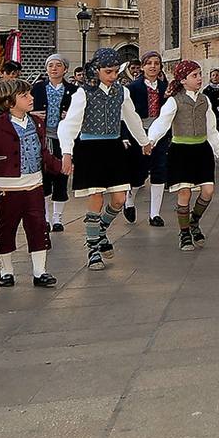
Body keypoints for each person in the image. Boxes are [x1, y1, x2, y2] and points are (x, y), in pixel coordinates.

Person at [57, 47, 151, 271]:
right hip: (90, 148)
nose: (113, 76)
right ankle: (92, 249)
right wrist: (67, 153)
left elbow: (132, 117)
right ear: (97, 70)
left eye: (115, 71)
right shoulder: (83, 92)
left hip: (114, 146)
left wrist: (144, 141)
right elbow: (69, 124)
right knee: (96, 197)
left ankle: (100, 230)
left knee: (119, 199)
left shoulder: (122, 91)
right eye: (108, 71)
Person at [0, 78, 62, 287]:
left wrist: (59, 166)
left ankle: (40, 271)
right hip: (6, 188)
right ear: (10, 102)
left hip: (34, 185)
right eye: (25, 96)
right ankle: (6, 270)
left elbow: (43, 152)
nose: (31, 98)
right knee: (6, 227)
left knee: (38, 227)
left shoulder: (37, 122)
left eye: (30, 94)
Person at [146, 61, 219, 250]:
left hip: (201, 150)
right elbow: (161, 123)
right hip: (181, 151)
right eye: (194, 75)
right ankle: (184, 234)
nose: (199, 78)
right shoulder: (175, 101)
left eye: (200, 74)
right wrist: (150, 141)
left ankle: (194, 221)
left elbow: (211, 128)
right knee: (184, 193)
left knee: (208, 191)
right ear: (183, 80)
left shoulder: (205, 100)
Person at [126, 51, 170, 226]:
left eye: (156, 63)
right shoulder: (133, 88)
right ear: (143, 66)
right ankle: (129, 201)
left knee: (159, 170)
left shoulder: (164, 87)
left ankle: (155, 214)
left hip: (159, 133)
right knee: (139, 172)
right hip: (139, 133)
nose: (153, 66)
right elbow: (126, 114)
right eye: (149, 63)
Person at [31, 54, 73, 232]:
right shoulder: (37, 88)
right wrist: (32, 114)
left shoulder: (74, 90)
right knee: (44, 176)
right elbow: (24, 107)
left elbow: (80, 112)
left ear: (65, 69)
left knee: (62, 175)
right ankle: (46, 217)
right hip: (43, 137)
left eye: (58, 65)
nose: (54, 69)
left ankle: (58, 217)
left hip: (63, 139)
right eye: (50, 65)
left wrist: (70, 115)